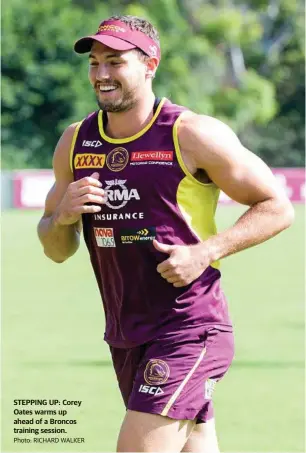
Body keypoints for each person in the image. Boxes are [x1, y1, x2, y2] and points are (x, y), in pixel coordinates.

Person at [37, 14, 294, 453]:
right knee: (195, 443)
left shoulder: (191, 133)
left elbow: (277, 206)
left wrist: (206, 250)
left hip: (189, 326)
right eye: (94, 63)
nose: (101, 74)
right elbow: (56, 249)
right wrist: (62, 216)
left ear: (150, 64)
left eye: (115, 62)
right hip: (124, 331)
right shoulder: (76, 141)